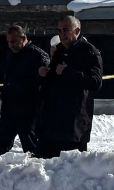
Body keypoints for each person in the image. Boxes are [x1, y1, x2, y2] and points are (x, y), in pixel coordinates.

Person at [36, 15, 104, 158]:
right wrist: (44, 74)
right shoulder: (58, 51)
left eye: (66, 30)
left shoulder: (89, 52)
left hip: (73, 125)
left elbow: (95, 82)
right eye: (59, 31)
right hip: (52, 123)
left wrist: (68, 73)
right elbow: (53, 79)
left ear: (77, 30)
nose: (62, 34)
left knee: (69, 170)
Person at [0, 24, 49, 155]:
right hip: (9, 108)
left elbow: (46, 80)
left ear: (23, 38)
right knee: (1, 147)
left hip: (29, 110)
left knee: (31, 149)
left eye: (13, 42)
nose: (11, 45)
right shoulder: (10, 55)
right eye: (8, 42)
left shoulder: (38, 55)